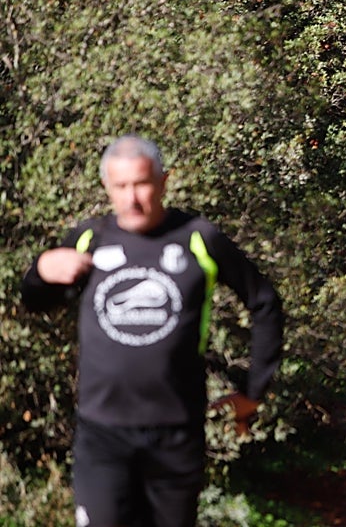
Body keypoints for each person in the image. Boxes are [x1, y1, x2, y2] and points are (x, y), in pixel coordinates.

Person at [21, 135, 284, 527]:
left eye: (142, 183)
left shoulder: (199, 238)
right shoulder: (89, 239)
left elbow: (264, 302)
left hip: (175, 434)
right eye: (121, 186)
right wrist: (40, 271)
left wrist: (254, 390)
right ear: (108, 188)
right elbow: (37, 302)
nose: (133, 197)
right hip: (102, 435)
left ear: (163, 182)